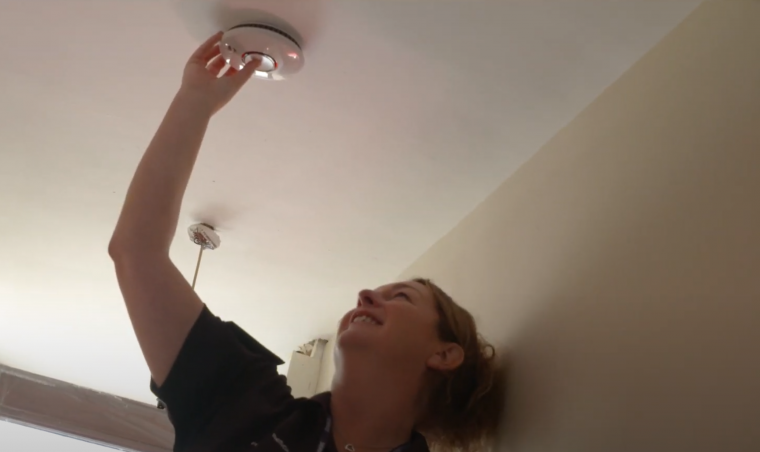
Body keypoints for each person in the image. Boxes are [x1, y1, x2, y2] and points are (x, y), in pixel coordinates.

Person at [108, 32, 504, 452]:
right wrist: (195, 101)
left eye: (402, 297)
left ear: (444, 354)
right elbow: (136, 253)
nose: (365, 295)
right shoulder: (241, 399)